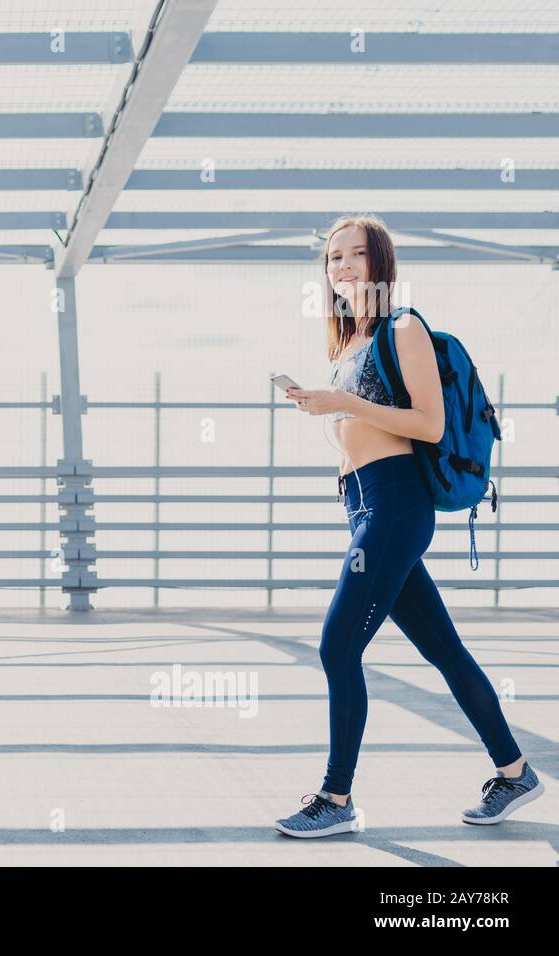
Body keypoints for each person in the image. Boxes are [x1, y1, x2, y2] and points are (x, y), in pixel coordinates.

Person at [272, 214, 543, 837]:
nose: (340, 267)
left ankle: (336, 799)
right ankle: (515, 769)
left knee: (337, 645)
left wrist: (342, 404)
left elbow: (430, 424)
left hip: (396, 506)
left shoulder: (405, 327)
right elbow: (361, 428)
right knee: (444, 650)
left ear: (380, 262)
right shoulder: (347, 343)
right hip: (364, 506)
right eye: (332, 258)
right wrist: (330, 414)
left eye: (354, 255)